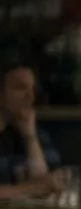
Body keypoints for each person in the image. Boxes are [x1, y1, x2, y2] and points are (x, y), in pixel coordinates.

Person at [0, 61, 61, 200]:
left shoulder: (33, 130)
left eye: (32, 89)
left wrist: (30, 137)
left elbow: (49, 183)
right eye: (20, 88)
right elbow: (39, 188)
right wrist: (31, 189)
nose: (30, 97)